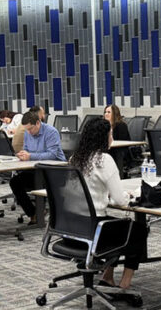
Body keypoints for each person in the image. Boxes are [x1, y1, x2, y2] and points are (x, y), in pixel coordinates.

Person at [59, 118, 150, 291]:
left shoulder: (75, 158)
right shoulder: (104, 160)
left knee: (116, 226)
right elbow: (120, 200)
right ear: (103, 137)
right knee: (138, 230)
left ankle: (108, 277)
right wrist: (128, 195)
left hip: (69, 231)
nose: (112, 138)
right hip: (93, 233)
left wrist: (105, 195)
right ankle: (124, 284)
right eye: (110, 134)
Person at [10, 108, 65, 223]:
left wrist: (30, 156)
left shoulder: (51, 132)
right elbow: (27, 150)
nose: (29, 132)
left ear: (38, 123)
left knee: (39, 181)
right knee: (15, 182)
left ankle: (43, 213)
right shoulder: (27, 132)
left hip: (54, 171)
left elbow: (52, 155)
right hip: (36, 169)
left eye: (31, 128)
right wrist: (23, 155)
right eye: (26, 129)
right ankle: (33, 213)